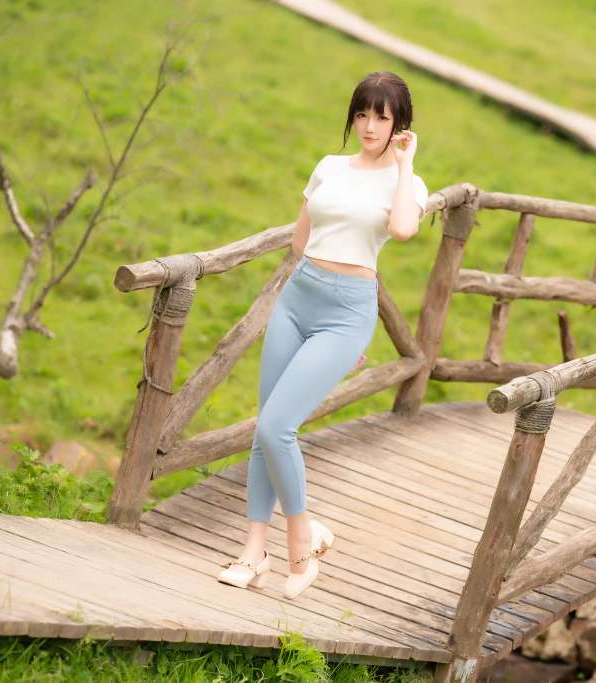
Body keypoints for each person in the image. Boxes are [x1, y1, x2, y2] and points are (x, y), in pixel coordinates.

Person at [217, 71, 429, 599]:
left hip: (346, 312)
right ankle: (253, 551)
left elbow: (403, 230)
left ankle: (301, 541)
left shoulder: (407, 183)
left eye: (381, 117)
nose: (369, 126)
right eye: (362, 114)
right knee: (266, 428)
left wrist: (405, 164)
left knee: (278, 427)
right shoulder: (329, 167)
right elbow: (299, 240)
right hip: (299, 299)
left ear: (400, 124)